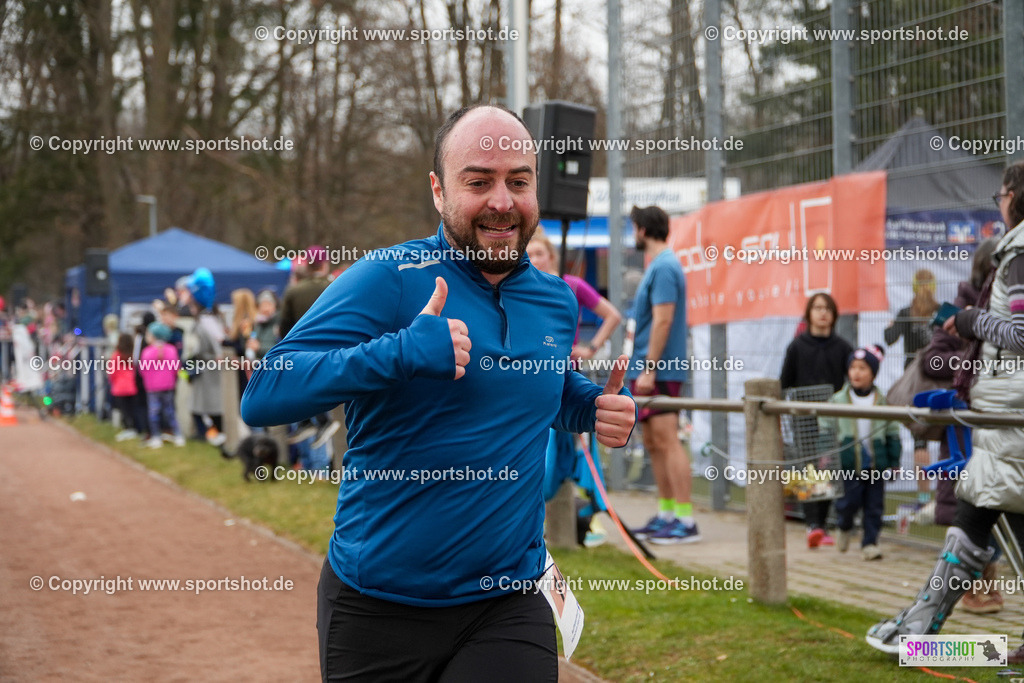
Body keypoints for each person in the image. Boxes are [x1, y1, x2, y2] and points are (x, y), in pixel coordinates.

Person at [241, 103, 637, 682]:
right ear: (438, 190)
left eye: (518, 182)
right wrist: (399, 353)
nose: (502, 201)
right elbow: (265, 394)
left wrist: (589, 404)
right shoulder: (389, 278)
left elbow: (533, 384)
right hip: (377, 607)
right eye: (479, 181)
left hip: (508, 600)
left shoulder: (556, 298)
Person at [867, 162, 1024, 658]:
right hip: (1000, 417)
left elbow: (1021, 336)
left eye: (1000, 194)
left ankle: (917, 629)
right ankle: (918, 627)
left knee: (977, 516)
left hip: (1012, 417)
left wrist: (973, 321)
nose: (996, 203)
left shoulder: (1018, 254)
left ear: (1015, 196)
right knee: (976, 517)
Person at [918, 239, 1001, 613]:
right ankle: (960, 596)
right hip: (966, 430)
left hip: (1002, 425)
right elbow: (932, 362)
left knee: (995, 508)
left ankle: (990, 585)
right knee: (970, 510)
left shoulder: (1008, 313)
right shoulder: (959, 311)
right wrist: (972, 364)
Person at [527, 228, 623, 546]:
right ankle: (541, 528)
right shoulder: (522, 289)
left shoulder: (571, 286)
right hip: (536, 385)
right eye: (528, 254)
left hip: (571, 386)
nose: (534, 259)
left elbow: (611, 315)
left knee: (582, 456)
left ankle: (589, 520)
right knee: (542, 458)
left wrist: (590, 347)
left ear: (551, 256)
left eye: (539, 253)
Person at [627, 205, 698, 544]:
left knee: (668, 440)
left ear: (642, 229)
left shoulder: (666, 266)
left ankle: (686, 521)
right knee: (653, 442)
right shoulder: (658, 266)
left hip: (659, 370)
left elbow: (664, 319)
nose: (633, 233)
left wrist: (649, 368)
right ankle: (667, 513)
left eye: (634, 227)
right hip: (646, 368)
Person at [780, 292, 854, 548]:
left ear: (834, 315)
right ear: (809, 313)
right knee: (809, 469)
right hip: (804, 420)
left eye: (827, 309)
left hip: (833, 419)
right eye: (817, 308)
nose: (822, 313)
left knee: (830, 469)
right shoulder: (797, 346)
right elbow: (784, 382)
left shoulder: (843, 348)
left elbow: (852, 382)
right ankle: (813, 524)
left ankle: (823, 524)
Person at [822, 345, 901, 561]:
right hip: (849, 464)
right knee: (847, 503)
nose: (857, 372)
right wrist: (825, 454)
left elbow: (893, 431)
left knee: (874, 507)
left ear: (873, 373)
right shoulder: (838, 400)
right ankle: (844, 526)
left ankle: (870, 543)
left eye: (863, 368)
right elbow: (826, 427)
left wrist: (894, 461)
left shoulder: (882, 401)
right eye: (853, 367)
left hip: (875, 465)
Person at [280, 247, 340, 450]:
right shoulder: (337, 284)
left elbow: (284, 327)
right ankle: (318, 422)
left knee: (299, 379)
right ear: (324, 264)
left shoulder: (294, 291)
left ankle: (310, 421)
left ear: (306, 265)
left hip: (304, 349)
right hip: (337, 349)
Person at [181, 268, 226, 445]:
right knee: (199, 406)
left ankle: (214, 435)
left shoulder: (207, 319)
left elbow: (218, 346)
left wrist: (194, 355)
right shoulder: (205, 318)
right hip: (203, 370)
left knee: (211, 407)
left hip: (209, 371)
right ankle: (209, 435)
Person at [139, 322, 184, 448]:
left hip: (152, 387)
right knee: (170, 411)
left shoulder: (147, 352)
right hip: (168, 385)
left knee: (154, 413)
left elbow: (142, 369)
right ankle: (178, 435)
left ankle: (156, 437)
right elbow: (176, 367)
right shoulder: (171, 349)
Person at [885, 268, 940, 370]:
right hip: (936, 365)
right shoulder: (941, 311)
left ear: (914, 286)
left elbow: (890, 338)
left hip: (912, 368)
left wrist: (890, 326)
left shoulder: (906, 313)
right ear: (933, 286)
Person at [108, 332, 147, 441]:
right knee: (134, 409)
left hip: (119, 387)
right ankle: (137, 428)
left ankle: (128, 428)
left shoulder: (116, 356)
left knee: (124, 410)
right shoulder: (132, 355)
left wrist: (112, 382)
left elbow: (112, 372)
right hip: (132, 386)